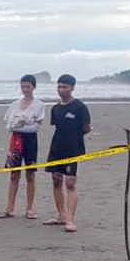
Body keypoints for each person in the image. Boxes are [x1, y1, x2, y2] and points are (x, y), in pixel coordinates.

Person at [44, 75, 90, 234]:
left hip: (73, 149)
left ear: (72, 88)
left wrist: (74, 141)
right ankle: (61, 215)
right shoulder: (55, 108)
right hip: (56, 148)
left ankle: (70, 219)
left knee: (70, 183)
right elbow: (56, 127)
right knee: (56, 180)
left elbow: (86, 128)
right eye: (59, 87)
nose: (61, 90)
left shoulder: (80, 107)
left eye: (65, 87)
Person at [0, 74, 46, 220]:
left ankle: (30, 208)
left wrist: (24, 123)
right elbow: (8, 123)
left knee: (30, 174)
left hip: (30, 140)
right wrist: (18, 124)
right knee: (14, 174)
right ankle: (10, 208)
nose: (25, 89)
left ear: (33, 87)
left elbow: (36, 126)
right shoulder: (14, 104)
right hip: (16, 139)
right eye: (23, 86)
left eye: (28, 87)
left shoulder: (39, 105)